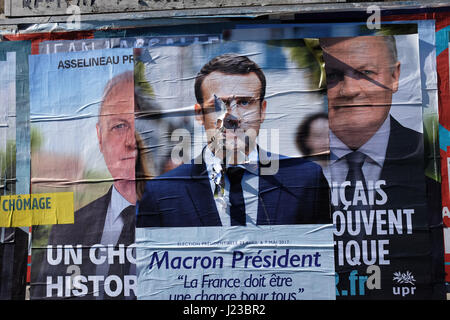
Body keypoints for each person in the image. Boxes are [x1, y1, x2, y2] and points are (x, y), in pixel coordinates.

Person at [137, 53, 331, 227]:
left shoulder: (306, 180)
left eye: (244, 103)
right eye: (218, 105)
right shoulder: (162, 192)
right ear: (199, 114)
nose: (232, 117)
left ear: (262, 111)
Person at [320, 36, 445, 299]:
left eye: (365, 73)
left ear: (394, 76)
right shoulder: (293, 166)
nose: (349, 90)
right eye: (333, 75)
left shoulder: (433, 161)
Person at [32, 71, 138, 300]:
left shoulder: (186, 220)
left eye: (142, 125)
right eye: (119, 126)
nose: (131, 141)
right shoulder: (66, 231)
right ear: (100, 138)